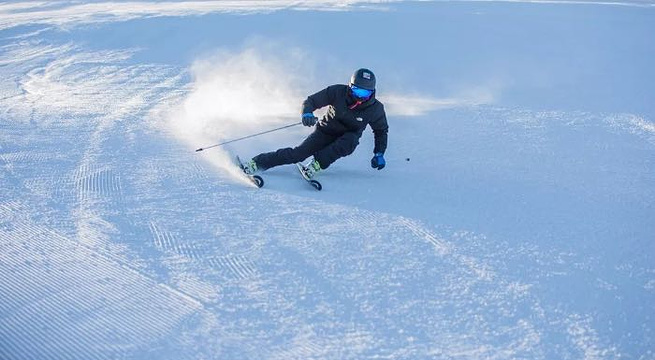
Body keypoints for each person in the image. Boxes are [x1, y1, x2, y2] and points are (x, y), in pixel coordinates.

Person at [242, 68, 388, 179]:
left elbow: (381, 131)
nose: (360, 97)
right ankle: (257, 162)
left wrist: (379, 153)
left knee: (350, 140)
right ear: (350, 87)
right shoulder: (337, 92)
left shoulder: (375, 109)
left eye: (365, 93)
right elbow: (311, 101)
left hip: (347, 138)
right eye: (357, 91)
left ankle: (317, 164)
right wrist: (307, 113)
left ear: (372, 92)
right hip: (325, 132)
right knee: (297, 154)